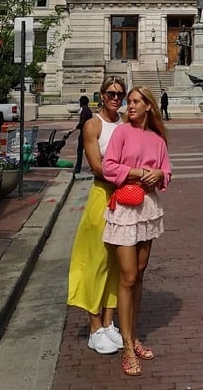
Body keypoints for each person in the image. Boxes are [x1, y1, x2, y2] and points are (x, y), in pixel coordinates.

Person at [102, 86, 172, 377]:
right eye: (128, 101)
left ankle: (133, 334)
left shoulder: (157, 140)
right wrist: (135, 173)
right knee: (128, 275)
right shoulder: (121, 133)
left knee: (140, 274)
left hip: (147, 209)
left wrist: (158, 174)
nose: (129, 106)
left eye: (134, 102)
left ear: (148, 107)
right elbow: (108, 166)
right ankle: (127, 345)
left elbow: (167, 171)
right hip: (125, 209)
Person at [67, 77, 127, 355]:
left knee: (118, 262)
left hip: (125, 199)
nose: (116, 98)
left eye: (120, 94)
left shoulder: (126, 124)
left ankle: (108, 323)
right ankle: (94, 328)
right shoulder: (93, 125)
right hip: (103, 196)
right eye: (111, 94)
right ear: (101, 96)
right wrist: (134, 175)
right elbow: (97, 167)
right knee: (96, 260)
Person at [74, 95, 93, 175]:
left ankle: (78, 168)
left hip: (83, 134)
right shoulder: (89, 111)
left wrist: (74, 128)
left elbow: (81, 123)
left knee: (80, 151)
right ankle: (93, 166)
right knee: (89, 151)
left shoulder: (83, 111)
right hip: (89, 133)